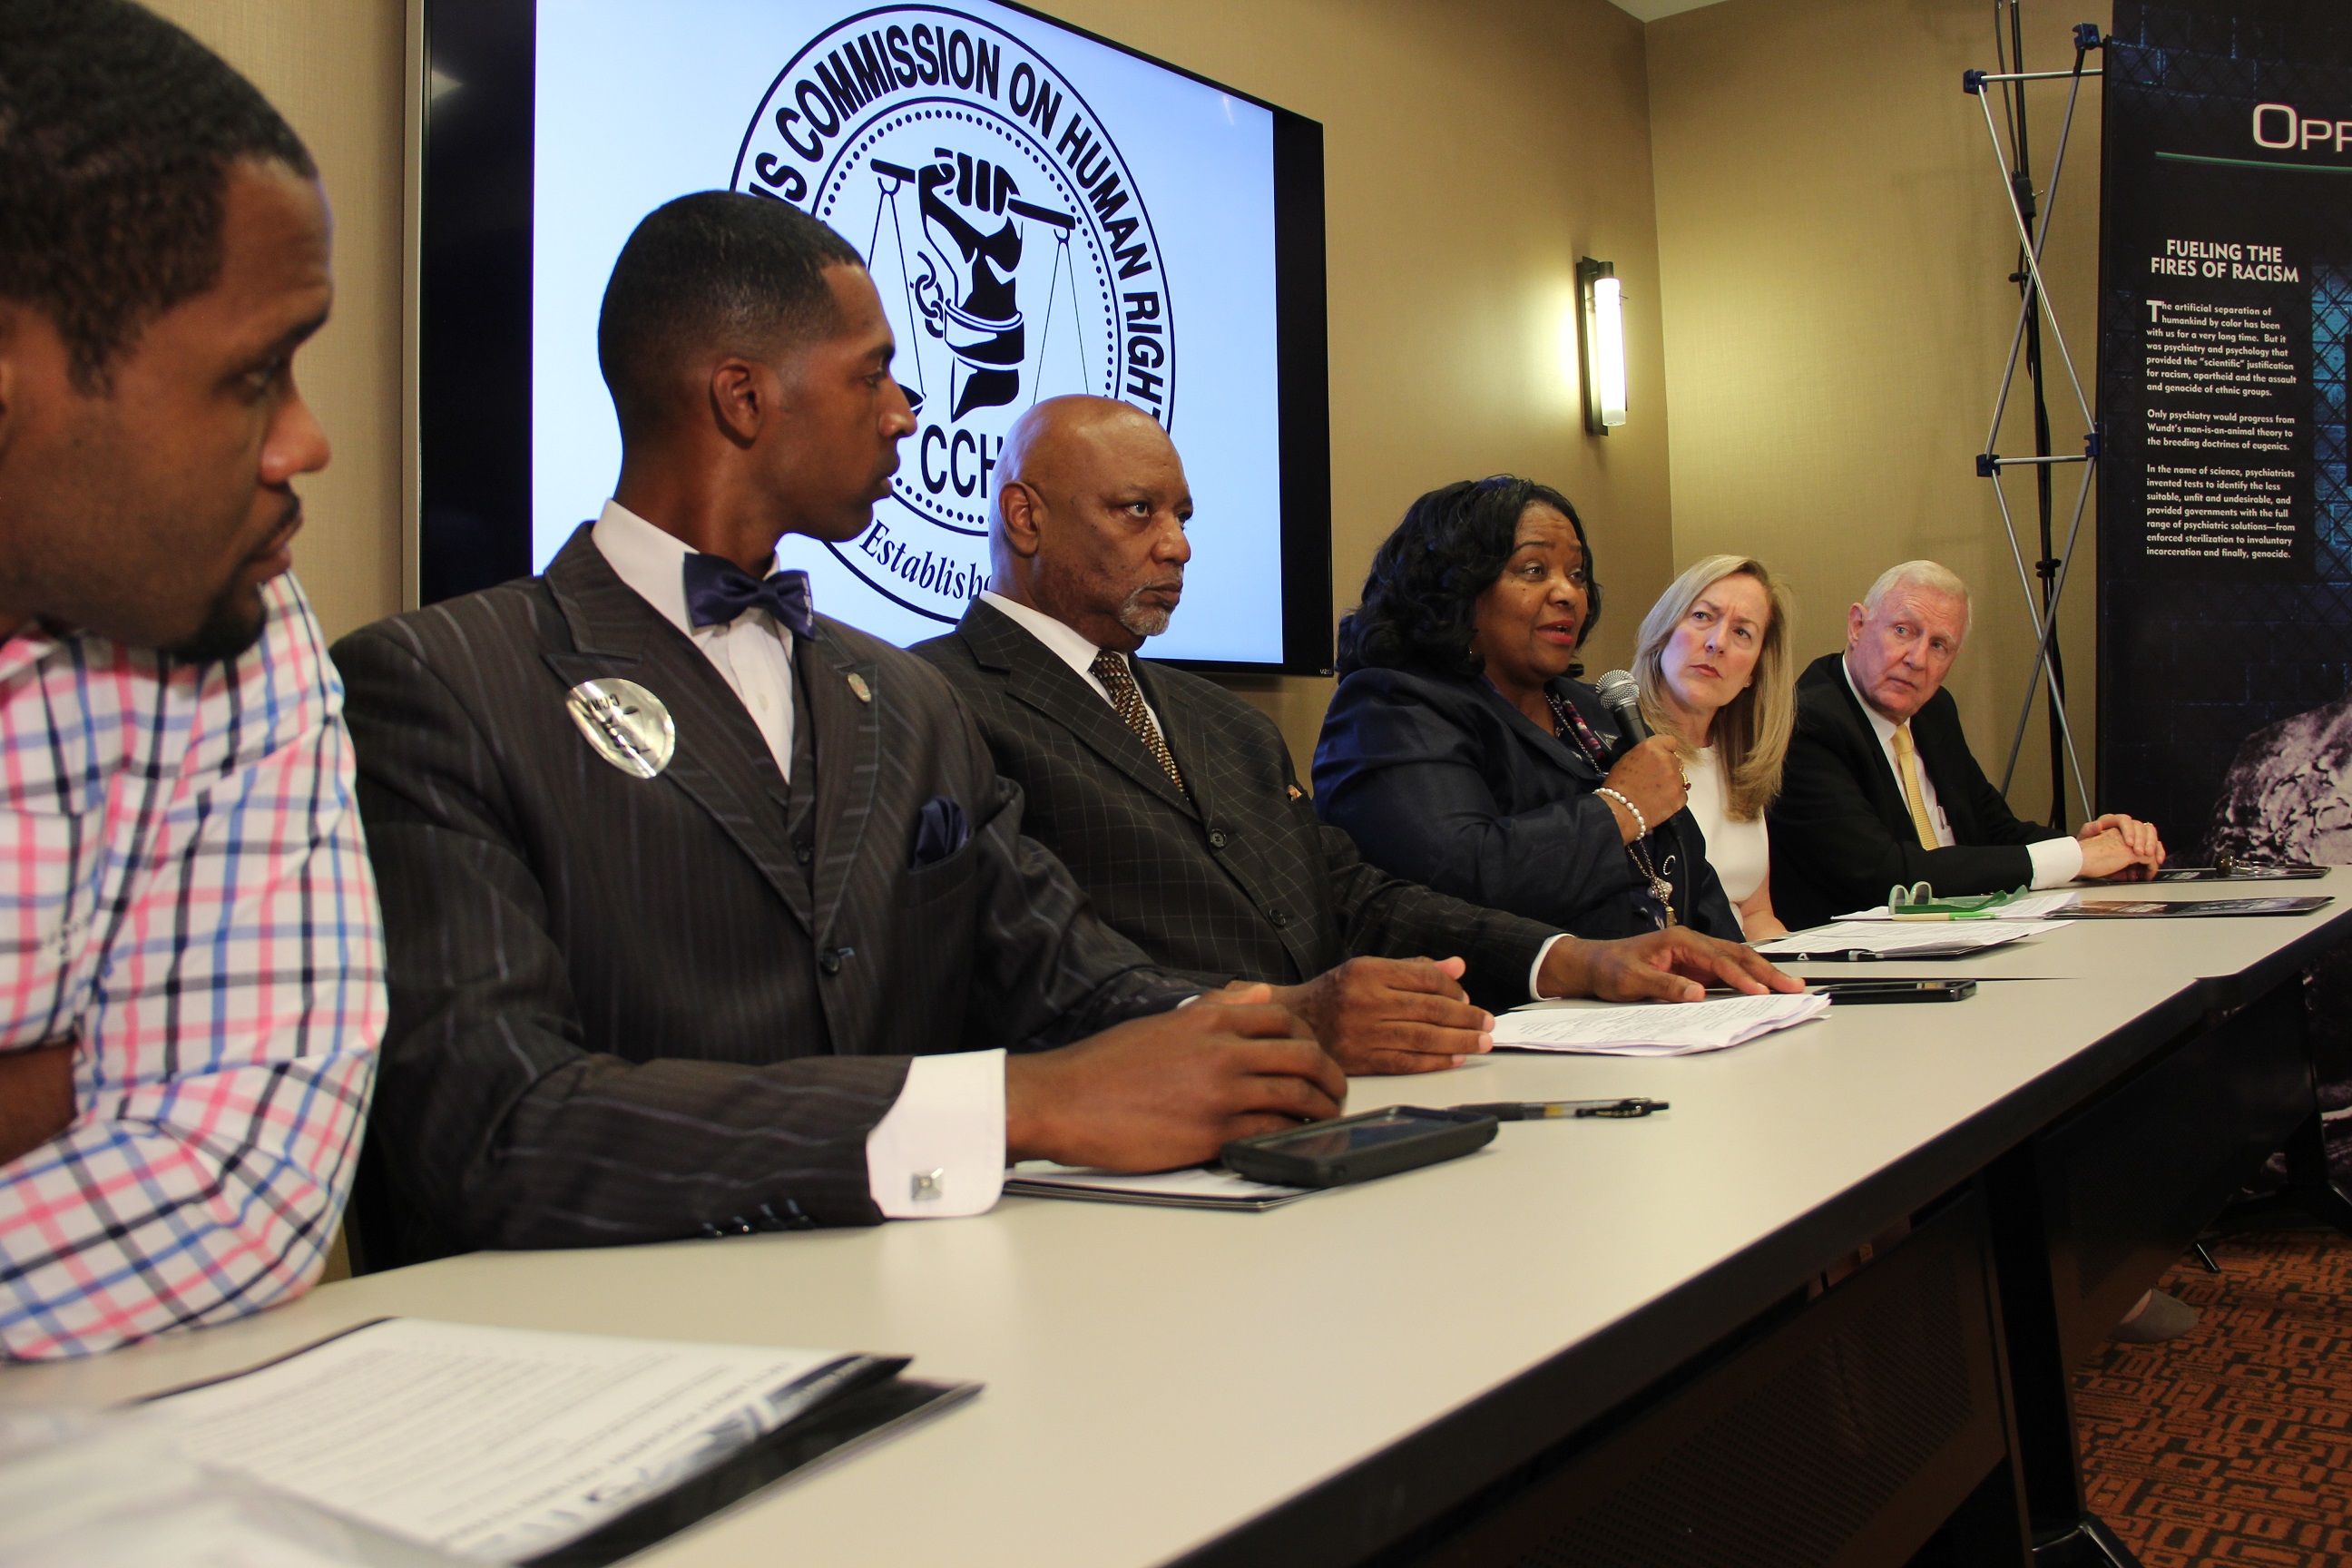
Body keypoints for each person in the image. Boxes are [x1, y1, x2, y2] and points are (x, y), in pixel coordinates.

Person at [334, 194, 1347, 1268]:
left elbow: (1067, 977)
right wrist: (1008, 1104)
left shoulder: (907, 699)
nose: (906, 414)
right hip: (602, 1357)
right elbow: (492, 1131)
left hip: (931, 1309)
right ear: (742, 396)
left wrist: (1274, 1026)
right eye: (873, 375)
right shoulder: (441, 684)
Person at [915, 400, 1797, 1073]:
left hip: (1346, 1098)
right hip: (1134, 1130)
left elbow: (1356, 898)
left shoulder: (1222, 721)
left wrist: (1569, 960)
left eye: (1184, 516)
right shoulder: (931, 702)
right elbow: (1011, 963)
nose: (1178, 546)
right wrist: (1289, 1011)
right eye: (1139, 512)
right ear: (1025, 517)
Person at [0, 0, 384, 1358]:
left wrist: (74, 1094)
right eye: (254, 377)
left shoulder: (238, 617)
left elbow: (245, 1183)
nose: (308, 442)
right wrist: (66, 1091)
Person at [1312, 477, 1743, 941]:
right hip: (1507, 1005)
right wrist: (1617, 809)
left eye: (1576, 574)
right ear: (1456, 585)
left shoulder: (1591, 707)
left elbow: (1691, 873)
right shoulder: (1389, 707)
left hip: (1663, 995)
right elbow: (1453, 882)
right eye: (1534, 570)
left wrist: (1742, 974)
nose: (1568, 594)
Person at [1768, 561, 2164, 931]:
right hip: (1862, 962)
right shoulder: (1806, 722)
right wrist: (2076, 859)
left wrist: (2092, 848)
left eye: (1939, 645)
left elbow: (1993, 829)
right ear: (1857, 626)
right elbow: (1886, 875)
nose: (1917, 659)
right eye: (1903, 630)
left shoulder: (1933, 709)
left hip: (1967, 933)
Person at [1632, 555, 1798, 940]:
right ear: (1666, 628)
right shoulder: (1620, 749)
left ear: (1754, 672)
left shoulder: (1738, 759)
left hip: (1743, 981)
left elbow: (1755, 915)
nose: (1716, 643)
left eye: (1742, 633)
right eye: (1703, 616)